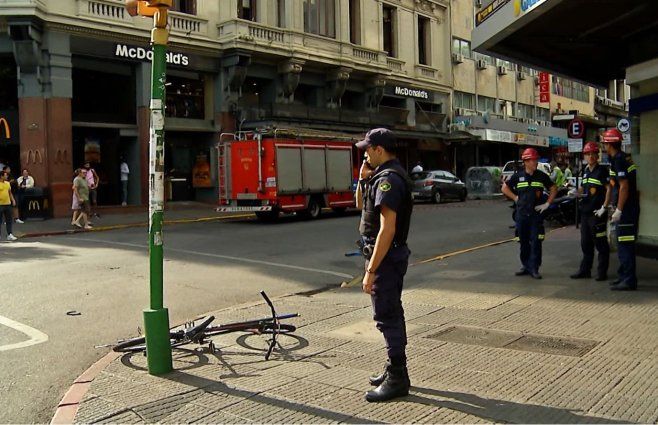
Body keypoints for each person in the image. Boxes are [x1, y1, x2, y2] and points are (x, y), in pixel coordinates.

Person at [355, 128, 414, 402]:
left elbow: (387, 230)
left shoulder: (388, 180)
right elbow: (360, 205)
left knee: (386, 316)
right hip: (387, 257)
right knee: (392, 313)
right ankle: (395, 368)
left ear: (379, 149)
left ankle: (398, 377)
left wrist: (370, 271)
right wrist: (362, 179)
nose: (365, 153)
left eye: (368, 149)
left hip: (386, 259)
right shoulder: (381, 176)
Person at [502, 148, 557, 279]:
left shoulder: (541, 176)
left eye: (536, 160)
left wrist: (547, 204)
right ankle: (526, 266)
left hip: (535, 216)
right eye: (533, 160)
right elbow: (504, 188)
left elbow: (553, 188)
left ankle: (534, 268)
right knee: (524, 242)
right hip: (521, 215)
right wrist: (515, 198)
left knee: (536, 242)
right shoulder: (517, 176)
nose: (536, 162)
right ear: (526, 162)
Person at [602, 128, 639, 291]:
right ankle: (623, 276)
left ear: (609, 144)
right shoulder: (621, 158)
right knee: (622, 243)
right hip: (629, 208)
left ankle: (629, 280)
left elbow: (624, 186)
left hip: (627, 210)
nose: (603, 145)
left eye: (604, 143)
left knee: (625, 244)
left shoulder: (619, 160)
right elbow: (614, 185)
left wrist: (619, 209)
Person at [570, 142, 610, 281]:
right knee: (585, 243)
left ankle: (602, 272)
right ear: (585, 156)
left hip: (597, 213)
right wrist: (576, 192)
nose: (591, 156)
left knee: (600, 243)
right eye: (588, 154)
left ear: (597, 155)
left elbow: (609, 189)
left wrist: (604, 207)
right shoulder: (586, 171)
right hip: (586, 213)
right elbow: (583, 188)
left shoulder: (602, 171)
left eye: (593, 153)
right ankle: (585, 270)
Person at [0, 171, 17, 241]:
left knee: (9, 220)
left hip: (7, 204)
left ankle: (9, 234)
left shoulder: (7, 183)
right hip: (0, 205)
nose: (7, 177)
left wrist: (13, 200)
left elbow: (10, 193)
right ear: (1, 176)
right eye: (5, 175)